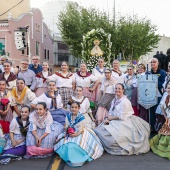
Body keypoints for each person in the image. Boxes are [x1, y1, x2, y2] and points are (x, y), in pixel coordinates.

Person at [93, 83, 150, 155]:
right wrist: (108, 118)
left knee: (113, 136)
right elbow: (111, 111)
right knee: (101, 129)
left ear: (123, 90)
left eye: (119, 89)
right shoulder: (114, 100)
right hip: (113, 120)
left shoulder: (125, 101)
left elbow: (122, 116)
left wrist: (111, 118)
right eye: (116, 88)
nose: (117, 90)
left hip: (123, 120)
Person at [54, 102, 103, 167]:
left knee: (75, 144)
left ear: (79, 108)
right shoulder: (68, 116)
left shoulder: (81, 117)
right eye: (72, 107)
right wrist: (67, 132)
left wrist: (76, 135)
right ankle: (68, 156)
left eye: (75, 107)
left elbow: (80, 129)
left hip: (79, 132)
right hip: (70, 132)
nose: (73, 109)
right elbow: (66, 126)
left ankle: (76, 157)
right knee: (65, 144)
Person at [150, 83, 170, 160]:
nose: (169, 90)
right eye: (168, 88)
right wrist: (166, 118)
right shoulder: (166, 97)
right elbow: (162, 106)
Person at [149, 58, 166, 131]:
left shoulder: (162, 73)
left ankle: (159, 128)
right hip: (149, 95)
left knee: (159, 113)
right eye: (151, 62)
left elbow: (163, 84)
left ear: (158, 63)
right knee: (151, 113)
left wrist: (153, 81)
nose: (153, 63)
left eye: (154, 62)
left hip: (159, 96)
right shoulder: (148, 73)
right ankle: (152, 128)